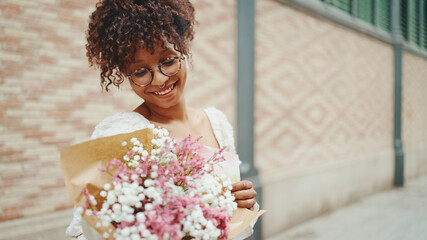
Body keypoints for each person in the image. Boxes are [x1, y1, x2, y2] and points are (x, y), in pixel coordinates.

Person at [66, 0, 258, 239]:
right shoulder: (122, 134)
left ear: (183, 50)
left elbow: (232, 222)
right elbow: (87, 230)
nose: (158, 79)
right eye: (140, 71)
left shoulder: (217, 123)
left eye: (167, 60)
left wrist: (243, 203)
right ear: (125, 74)